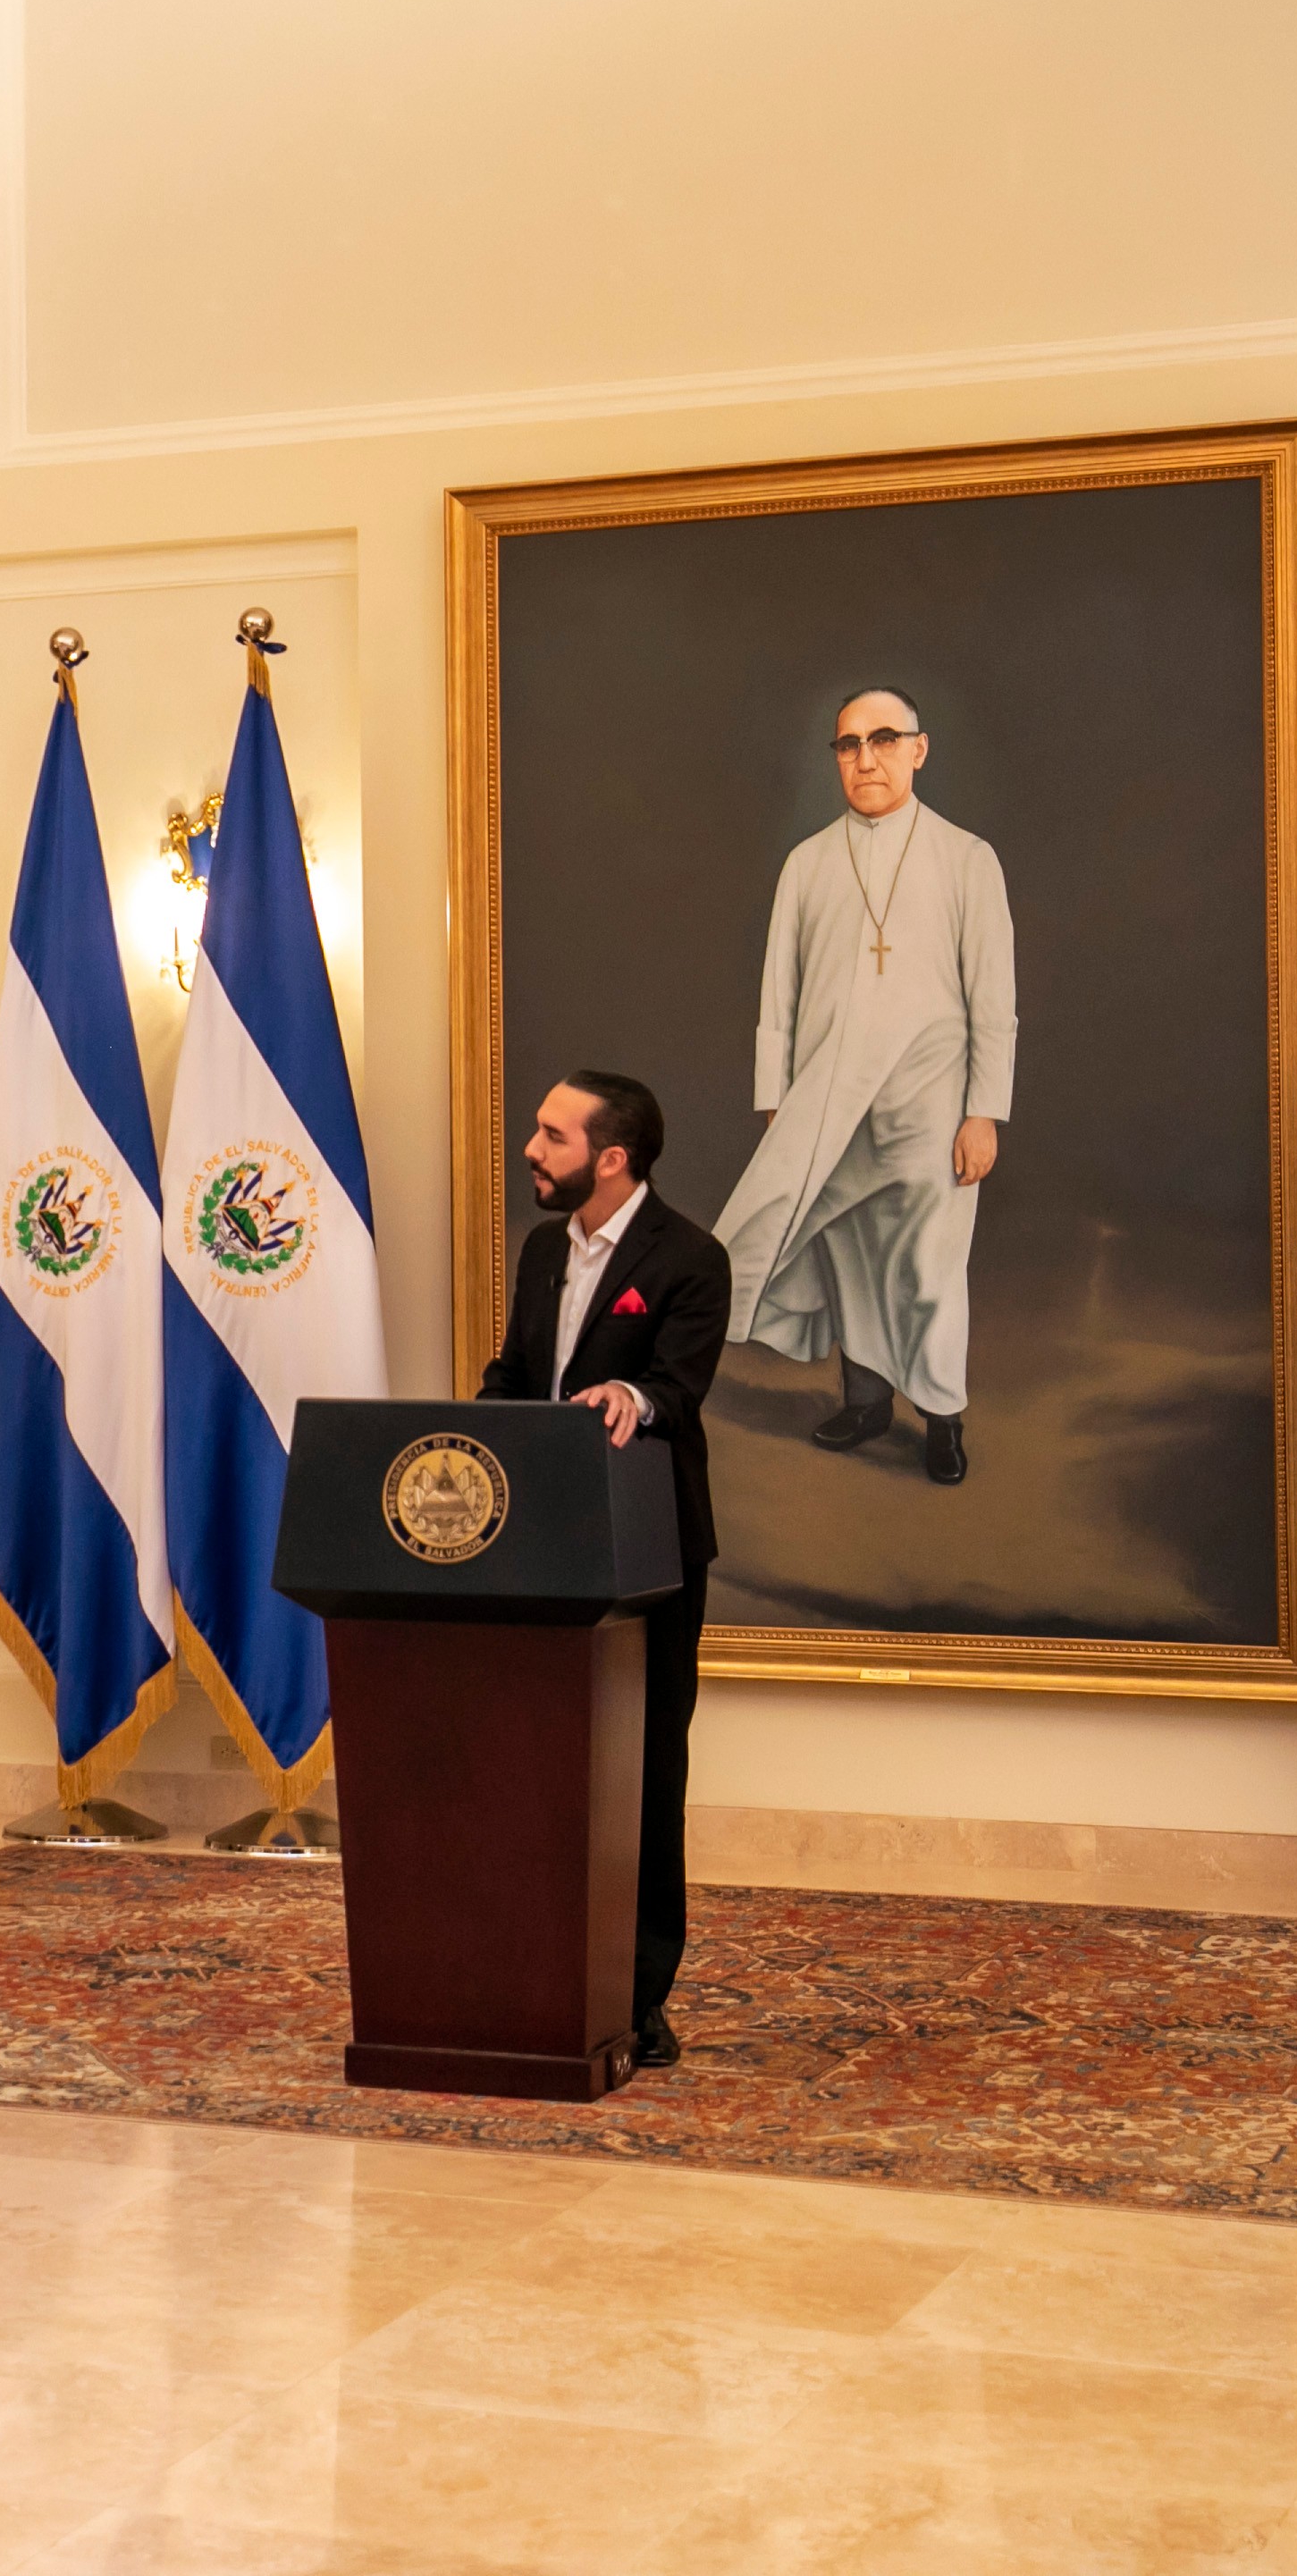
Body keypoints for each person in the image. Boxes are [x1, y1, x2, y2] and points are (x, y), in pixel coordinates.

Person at [477, 1071, 728, 2071]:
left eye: (553, 1135)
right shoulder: (545, 1250)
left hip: (647, 1552)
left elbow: (676, 1388)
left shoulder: (692, 1258)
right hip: (534, 1546)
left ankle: (639, 1993)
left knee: (644, 1770)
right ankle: (528, 1967)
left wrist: (631, 1396)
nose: (532, 1150)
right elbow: (515, 1378)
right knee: (532, 1763)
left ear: (611, 1158)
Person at [716, 685, 1015, 1486]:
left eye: (883, 740)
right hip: (829, 1100)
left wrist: (984, 1112)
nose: (866, 759)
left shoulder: (967, 858)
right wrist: (776, 1100)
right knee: (848, 1258)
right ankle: (866, 1402)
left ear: (918, 749)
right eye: (849, 745)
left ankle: (943, 1418)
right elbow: (778, 993)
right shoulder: (808, 862)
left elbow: (993, 1000)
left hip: (931, 1102)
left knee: (928, 1269)